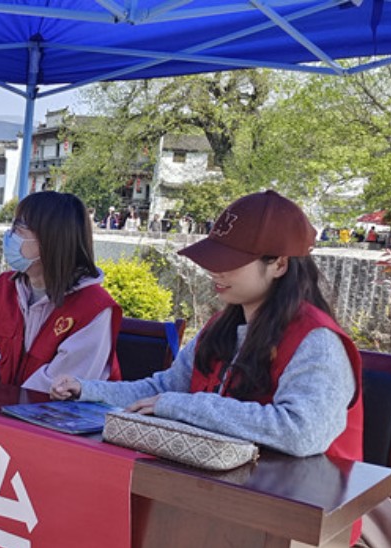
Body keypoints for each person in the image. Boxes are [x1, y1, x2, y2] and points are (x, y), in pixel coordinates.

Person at [49, 190, 363, 465]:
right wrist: (87, 389)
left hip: (294, 507)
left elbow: (302, 432)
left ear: (279, 264)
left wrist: (181, 406)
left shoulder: (317, 340)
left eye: (231, 261)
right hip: (217, 486)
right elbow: (164, 389)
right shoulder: (222, 325)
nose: (215, 270)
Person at [0, 190, 121, 392]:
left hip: (56, 419)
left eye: (19, 229)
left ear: (50, 240)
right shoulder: (1, 288)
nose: (10, 236)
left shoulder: (93, 308)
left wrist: (2, 406)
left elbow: (60, 386)